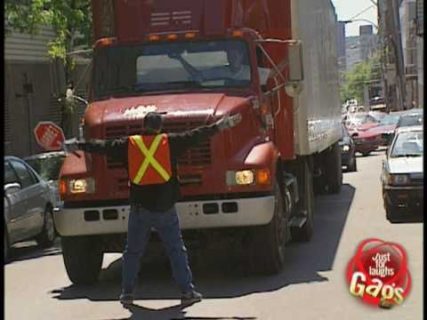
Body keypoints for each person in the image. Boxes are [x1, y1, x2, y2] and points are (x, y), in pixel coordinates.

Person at [63, 111, 241, 307]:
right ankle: (187, 291)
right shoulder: (170, 143)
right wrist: (220, 126)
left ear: (143, 126)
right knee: (176, 250)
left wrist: (77, 144)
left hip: (140, 209)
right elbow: (195, 135)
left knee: (132, 252)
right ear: (160, 127)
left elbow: (102, 147)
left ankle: (127, 293)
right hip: (165, 208)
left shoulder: (129, 145)